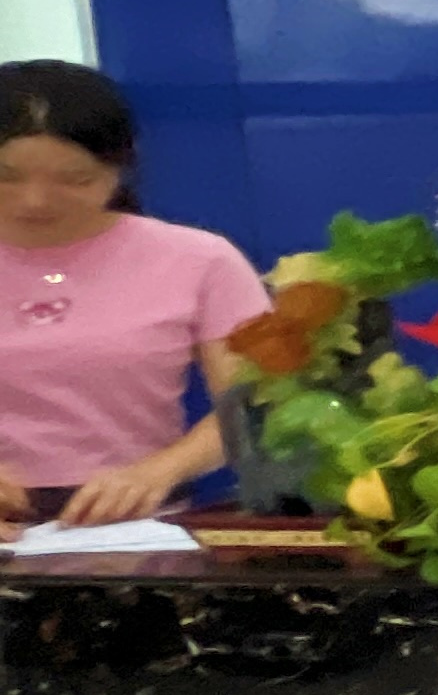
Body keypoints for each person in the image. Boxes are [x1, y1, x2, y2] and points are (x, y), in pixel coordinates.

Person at [0, 61, 267, 532]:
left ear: (122, 167)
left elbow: (255, 403)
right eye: (7, 176)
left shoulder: (200, 260)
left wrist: (159, 472)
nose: (34, 201)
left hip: (136, 527)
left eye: (74, 179)